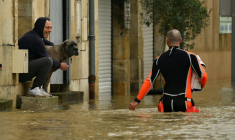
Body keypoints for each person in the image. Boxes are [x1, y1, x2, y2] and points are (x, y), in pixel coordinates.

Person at [129, 29, 207, 112]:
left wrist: (136, 100)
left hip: (166, 103)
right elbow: (203, 76)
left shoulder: (159, 59)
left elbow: (149, 81)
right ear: (181, 40)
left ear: (167, 41)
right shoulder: (191, 57)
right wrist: (199, 86)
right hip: (184, 102)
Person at [19, 17, 69, 97]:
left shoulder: (35, 36)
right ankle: (35, 88)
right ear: (40, 27)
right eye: (47, 27)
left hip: (25, 70)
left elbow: (50, 44)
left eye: (51, 28)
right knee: (47, 61)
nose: (50, 30)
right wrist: (60, 65)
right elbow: (48, 59)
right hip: (21, 74)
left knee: (47, 60)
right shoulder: (36, 40)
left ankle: (38, 88)